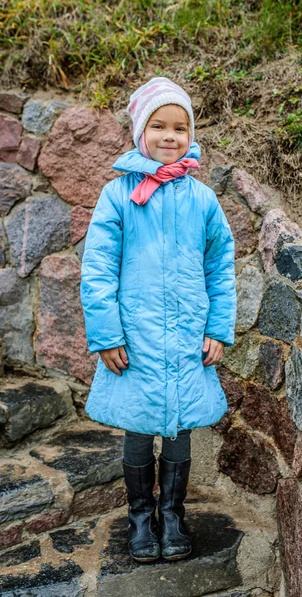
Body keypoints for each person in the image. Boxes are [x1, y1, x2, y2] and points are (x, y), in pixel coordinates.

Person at [80, 77, 236, 564]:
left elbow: (220, 266)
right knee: (138, 425)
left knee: (179, 427)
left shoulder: (203, 200)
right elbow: (98, 268)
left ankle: (173, 514)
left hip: (188, 336)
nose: (170, 136)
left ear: (191, 134)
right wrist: (106, 334)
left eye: (180, 127)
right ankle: (140, 518)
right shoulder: (118, 195)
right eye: (158, 126)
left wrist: (217, 328)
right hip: (136, 338)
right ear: (139, 131)